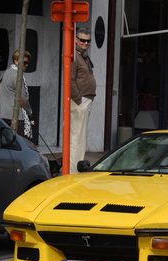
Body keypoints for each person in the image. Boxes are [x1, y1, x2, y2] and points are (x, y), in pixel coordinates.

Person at [70, 27, 96, 174]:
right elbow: (70, 80)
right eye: (82, 40)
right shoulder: (75, 56)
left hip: (85, 99)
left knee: (79, 138)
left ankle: (75, 168)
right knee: (77, 138)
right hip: (81, 101)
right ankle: (73, 170)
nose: (85, 43)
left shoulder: (83, 56)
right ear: (76, 40)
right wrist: (79, 100)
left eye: (88, 40)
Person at [0, 49, 33, 139]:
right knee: (20, 145)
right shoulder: (18, 75)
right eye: (25, 62)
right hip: (15, 116)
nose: (26, 65)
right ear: (16, 61)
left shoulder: (6, 72)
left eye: (28, 63)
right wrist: (29, 112)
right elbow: (23, 99)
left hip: (1, 114)